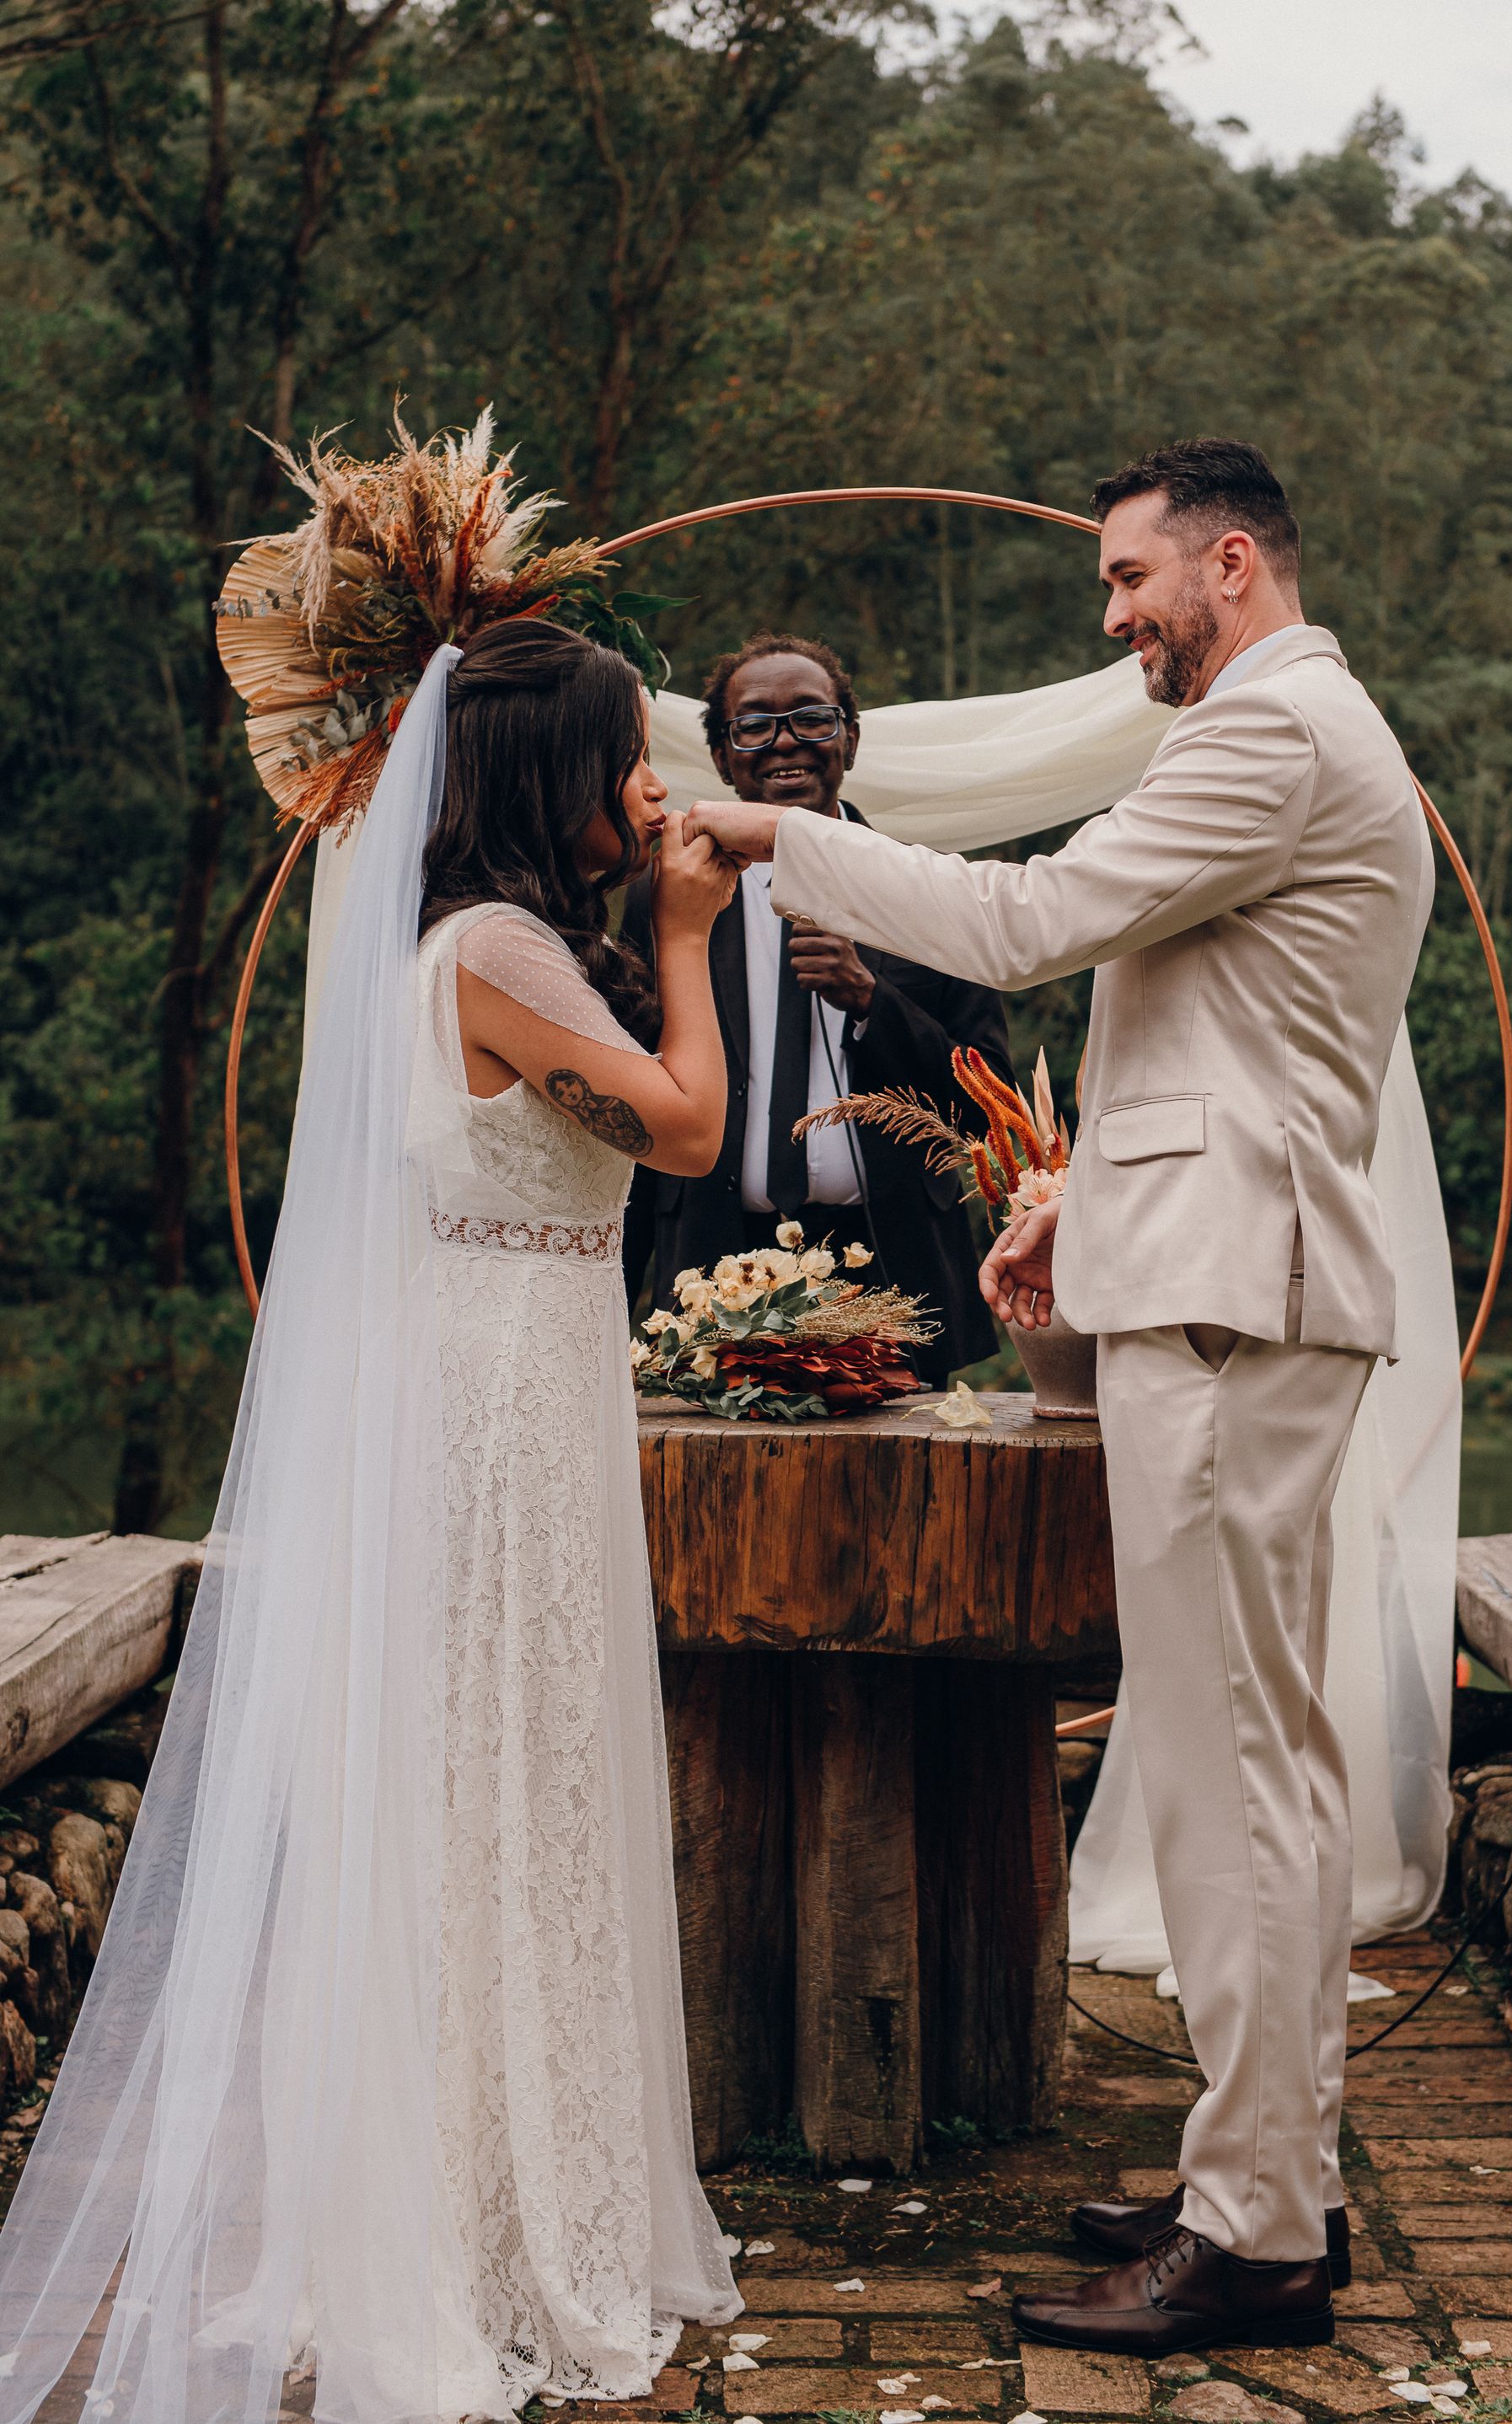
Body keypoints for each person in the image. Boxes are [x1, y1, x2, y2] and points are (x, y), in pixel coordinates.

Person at [685, 439, 1433, 2357]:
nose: (1109, 619)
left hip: (1233, 1309)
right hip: (1206, 1281)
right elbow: (1223, 1038)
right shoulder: (1284, 736)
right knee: (1251, 1760)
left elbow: (1032, 928)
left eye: (1128, 582)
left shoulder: (1273, 736)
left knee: (1231, 1772)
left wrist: (769, 836)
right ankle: (1268, 2175)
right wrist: (1075, 1207)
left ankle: (1254, 2227)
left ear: (1232, 565)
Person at [0, 619, 742, 2421]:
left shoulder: (470, 943)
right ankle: (475, 2226)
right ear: (549, 781)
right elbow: (690, 1133)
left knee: (506, 1778)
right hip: (495, 1406)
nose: (653, 786)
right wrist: (685, 938)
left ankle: (497, 2190)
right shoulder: (489, 947)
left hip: (514, 1374)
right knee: (499, 1777)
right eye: (628, 756)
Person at [622, 632, 1014, 1382]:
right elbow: (636, 1092)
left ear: (851, 741)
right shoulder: (664, 896)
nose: (784, 743)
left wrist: (872, 1001)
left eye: (812, 718)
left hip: (891, 1260)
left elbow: (988, 1098)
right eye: (754, 724)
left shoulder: (927, 885)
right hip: (714, 1262)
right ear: (720, 756)